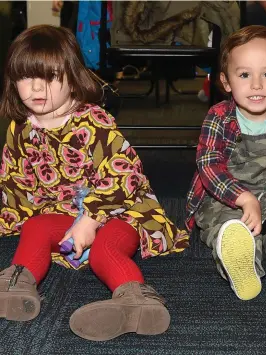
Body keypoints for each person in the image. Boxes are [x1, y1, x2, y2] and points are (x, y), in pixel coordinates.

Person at [0, 25, 189, 341]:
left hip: (120, 211)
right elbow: (14, 181)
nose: (36, 87)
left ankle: (135, 300)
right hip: (64, 214)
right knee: (35, 228)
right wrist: (10, 219)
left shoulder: (94, 122)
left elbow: (125, 175)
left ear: (73, 79)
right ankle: (16, 286)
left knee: (105, 248)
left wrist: (90, 219)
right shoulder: (19, 129)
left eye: (50, 77)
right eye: (25, 77)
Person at [186, 25, 266, 301]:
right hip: (226, 198)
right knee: (233, 226)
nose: (256, 85)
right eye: (244, 74)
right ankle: (241, 263)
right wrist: (244, 198)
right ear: (226, 81)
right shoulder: (219, 117)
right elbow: (209, 167)